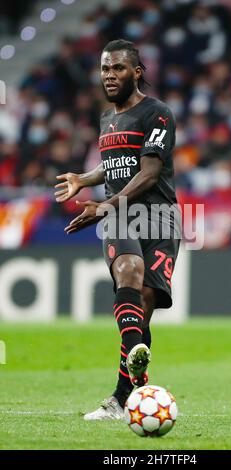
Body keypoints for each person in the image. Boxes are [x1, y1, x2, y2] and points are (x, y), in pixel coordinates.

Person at [54, 39, 180, 420]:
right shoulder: (106, 119)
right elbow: (114, 166)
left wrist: (104, 204)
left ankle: (128, 388)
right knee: (127, 271)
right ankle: (127, 386)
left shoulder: (157, 114)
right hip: (121, 214)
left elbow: (150, 170)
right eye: (105, 69)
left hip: (159, 217)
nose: (109, 75)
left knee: (143, 301)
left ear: (137, 73)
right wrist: (84, 178)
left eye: (118, 68)